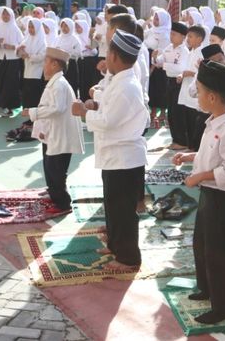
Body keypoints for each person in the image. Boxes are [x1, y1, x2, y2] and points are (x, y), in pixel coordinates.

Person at [172, 60, 225, 324]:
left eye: (201, 91)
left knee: (218, 251)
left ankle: (222, 307)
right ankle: (206, 289)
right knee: (201, 244)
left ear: (213, 97)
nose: (198, 95)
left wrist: (200, 176)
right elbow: (209, 156)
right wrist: (190, 156)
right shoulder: (215, 121)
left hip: (222, 197)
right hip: (209, 193)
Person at [72, 30, 149, 271]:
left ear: (114, 56)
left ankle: (128, 258)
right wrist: (95, 103)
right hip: (115, 156)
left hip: (124, 158)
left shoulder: (127, 85)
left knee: (123, 211)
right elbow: (108, 104)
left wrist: (84, 113)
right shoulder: (120, 81)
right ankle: (116, 246)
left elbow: (108, 121)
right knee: (114, 206)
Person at [27, 47, 84, 212]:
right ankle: (53, 194)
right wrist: (42, 127)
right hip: (53, 133)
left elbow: (56, 109)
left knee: (56, 169)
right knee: (49, 165)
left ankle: (63, 203)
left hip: (61, 135)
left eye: (46, 62)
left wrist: (33, 113)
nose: (44, 65)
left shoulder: (59, 84)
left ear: (55, 64)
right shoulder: (55, 82)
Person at [155, 22, 189, 150]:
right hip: (169, 80)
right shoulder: (169, 47)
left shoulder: (183, 51)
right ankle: (175, 139)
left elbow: (180, 68)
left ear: (182, 37)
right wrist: (155, 59)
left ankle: (181, 140)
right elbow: (159, 61)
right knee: (171, 112)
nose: (171, 36)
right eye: (171, 33)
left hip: (178, 82)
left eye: (174, 34)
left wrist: (164, 65)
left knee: (178, 111)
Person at [178, 25, 207, 151]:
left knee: (194, 122)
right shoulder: (191, 51)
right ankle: (190, 145)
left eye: (190, 36)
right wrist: (182, 74)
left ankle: (194, 147)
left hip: (195, 92)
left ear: (199, 39)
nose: (187, 39)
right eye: (187, 36)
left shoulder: (201, 52)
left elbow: (202, 72)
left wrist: (189, 73)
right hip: (187, 88)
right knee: (187, 121)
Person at [0, 6, 23, 116]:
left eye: (7, 14)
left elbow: (22, 44)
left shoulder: (15, 28)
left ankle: (10, 107)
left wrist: (13, 47)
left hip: (12, 59)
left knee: (10, 82)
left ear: (11, 15)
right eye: (3, 14)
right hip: (0, 57)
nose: (5, 16)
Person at [17, 17, 47, 114]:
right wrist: (19, 50)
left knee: (35, 95)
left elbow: (42, 56)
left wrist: (29, 56)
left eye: (32, 27)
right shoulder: (27, 39)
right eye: (29, 27)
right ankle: (28, 115)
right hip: (27, 71)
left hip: (37, 72)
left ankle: (35, 117)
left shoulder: (42, 41)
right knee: (27, 94)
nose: (30, 29)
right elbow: (19, 53)